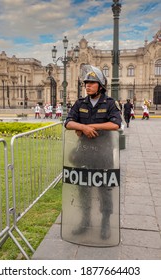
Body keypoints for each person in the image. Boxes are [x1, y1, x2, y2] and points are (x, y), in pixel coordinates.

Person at [65, 65, 121, 240]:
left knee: (105, 189)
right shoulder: (80, 103)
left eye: (92, 83)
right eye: (86, 83)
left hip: (103, 155)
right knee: (84, 189)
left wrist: (90, 127)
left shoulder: (110, 103)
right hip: (84, 153)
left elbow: (116, 124)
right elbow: (67, 122)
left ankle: (105, 223)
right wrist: (81, 126)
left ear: (101, 85)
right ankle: (85, 221)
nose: (88, 86)